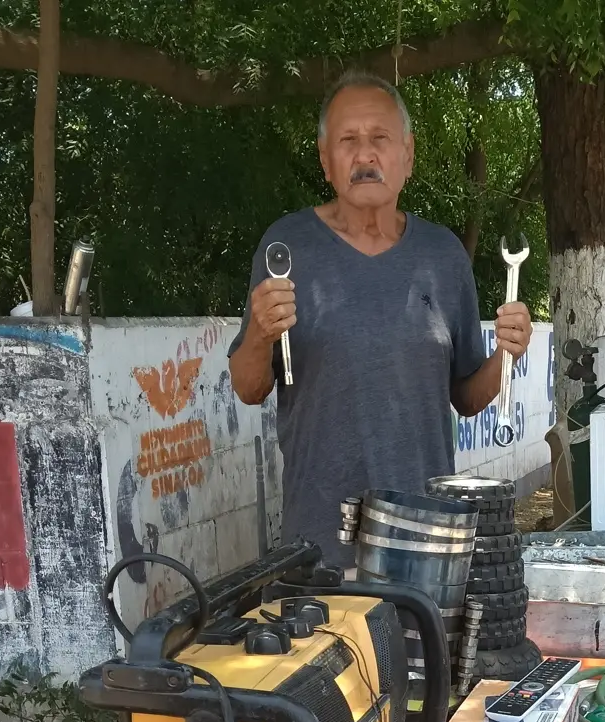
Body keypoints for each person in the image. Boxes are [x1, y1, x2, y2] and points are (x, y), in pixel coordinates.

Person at [228, 72, 532, 562]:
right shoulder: (287, 246)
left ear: (407, 156)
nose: (365, 155)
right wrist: (261, 335)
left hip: (427, 544)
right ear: (326, 160)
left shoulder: (443, 256)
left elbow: (468, 398)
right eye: (348, 140)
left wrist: (506, 355)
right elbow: (248, 387)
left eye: (380, 139)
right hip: (318, 545)